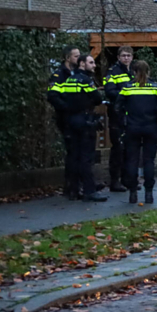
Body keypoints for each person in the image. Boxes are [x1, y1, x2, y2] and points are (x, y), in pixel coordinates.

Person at [116, 60, 157, 204]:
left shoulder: (127, 87)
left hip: (132, 128)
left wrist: (123, 123)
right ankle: (149, 193)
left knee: (132, 160)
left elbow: (118, 107)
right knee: (149, 161)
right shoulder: (156, 87)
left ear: (133, 72)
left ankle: (133, 192)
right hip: (151, 128)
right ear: (148, 71)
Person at [69, 54, 107, 202]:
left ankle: (74, 189)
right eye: (91, 63)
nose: (94, 65)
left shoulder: (69, 80)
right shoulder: (86, 81)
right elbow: (97, 99)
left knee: (75, 156)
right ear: (82, 64)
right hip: (85, 120)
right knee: (86, 157)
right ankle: (89, 190)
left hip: (72, 120)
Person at [47, 44, 81, 200]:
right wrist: (68, 108)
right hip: (66, 119)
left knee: (78, 153)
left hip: (78, 118)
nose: (78, 58)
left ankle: (76, 184)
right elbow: (53, 96)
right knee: (73, 152)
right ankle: (71, 186)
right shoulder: (59, 76)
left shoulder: (78, 73)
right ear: (67, 58)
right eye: (75, 56)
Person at [103, 46, 134, 193]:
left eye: (128, 56)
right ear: (118, 57)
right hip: (117, 114)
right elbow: (110, 91)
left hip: (131, 114)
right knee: (118, 148)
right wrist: (126, 95)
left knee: (129, 148)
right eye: (123, 56)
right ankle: (115, 181)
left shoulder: (133, 72)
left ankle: (127, 179)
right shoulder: (112, 72)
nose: (126, 58)